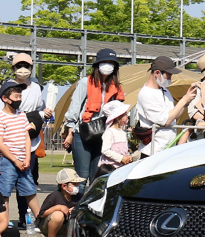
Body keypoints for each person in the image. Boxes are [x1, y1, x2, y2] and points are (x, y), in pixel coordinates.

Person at [63, 48, 125, 182]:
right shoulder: (85, 82)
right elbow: (74, 107)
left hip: (104, 134)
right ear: (97, 64)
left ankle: (91, 202)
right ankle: (79, 202)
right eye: (105, 62)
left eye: (111, 63)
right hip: (83, 133)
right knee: (81, 176)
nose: (108, 66)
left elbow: (119, 111)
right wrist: (70, 132)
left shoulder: (117, 86)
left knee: (98, 175)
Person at [10, 52, 53, 226]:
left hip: (32, 140)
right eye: (19, 66)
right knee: (9, 181)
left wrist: (45, 113)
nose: (22, 69)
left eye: (26, 66)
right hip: (13, 141)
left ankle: (26, 217)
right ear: (13, 68)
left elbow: (41, 108)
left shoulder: (35, 87)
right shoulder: (8, 87)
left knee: (27, 179)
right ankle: (6, 217)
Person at [0, 81, 40, 224]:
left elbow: (26, 137)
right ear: (5, 99)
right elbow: (0, 143)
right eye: (16, 96)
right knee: (4, 192)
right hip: (6, 161)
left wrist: (27, 158)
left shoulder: (21, 115)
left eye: (20, 96)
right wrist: (15, 160)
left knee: (30, 190)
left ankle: (40, 219)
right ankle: (4, 221)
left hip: (23, 159)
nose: (19, 99)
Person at [136, 56, 198, 156]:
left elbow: (175, 116)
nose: (170, 78)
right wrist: (184, 100)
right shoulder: (146, 94)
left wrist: (186, 102)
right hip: (152, 151)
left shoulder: (165, 91)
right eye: (168, 75)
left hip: (168, 148)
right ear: (157, 73)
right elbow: (165, 121)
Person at [35, 168, 85, 237]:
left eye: (78, 184)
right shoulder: (54, 196)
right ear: (64, 186)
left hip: (68, 226)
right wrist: (57, 207)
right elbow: (42, 214)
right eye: (74, 184)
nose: (77, 187)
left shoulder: (79, 197)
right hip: (49, 226)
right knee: (58, 215)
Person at [95, 101, 134, 179]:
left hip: (121, 168)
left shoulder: (123, 133)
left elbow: (124, 149)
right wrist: (121, 158)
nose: (127, 117)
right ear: (118, 117)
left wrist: (127, 157)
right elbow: (105, 150)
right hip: (109, 169)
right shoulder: (109, 132)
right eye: (125, 114)